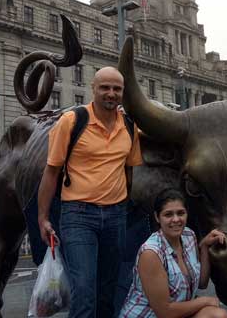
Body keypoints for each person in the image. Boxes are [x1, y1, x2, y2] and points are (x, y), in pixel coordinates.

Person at [37, 66, 143, 318]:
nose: (111, 93)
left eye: (117, 89)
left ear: (123, 93)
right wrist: (43, 217)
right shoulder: (72, 121)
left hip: (116, 216)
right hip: (78, 215)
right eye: (105, 87)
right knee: (84, 290)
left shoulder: (129, 126)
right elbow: (51, 172)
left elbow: (129, 170)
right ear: (92, 88)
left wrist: (123, 203)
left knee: (108, 290)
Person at [119, 189, 227, 318]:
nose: (176, 219)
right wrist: (205, 301)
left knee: (218, 315)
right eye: (168, 214)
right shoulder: (151, 253)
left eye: (180, 213)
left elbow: (201, 283)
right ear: (157, 217)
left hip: (176, 314)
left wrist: (204, 247)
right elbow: (165, 312)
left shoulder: (189, 236)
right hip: (149, 315)